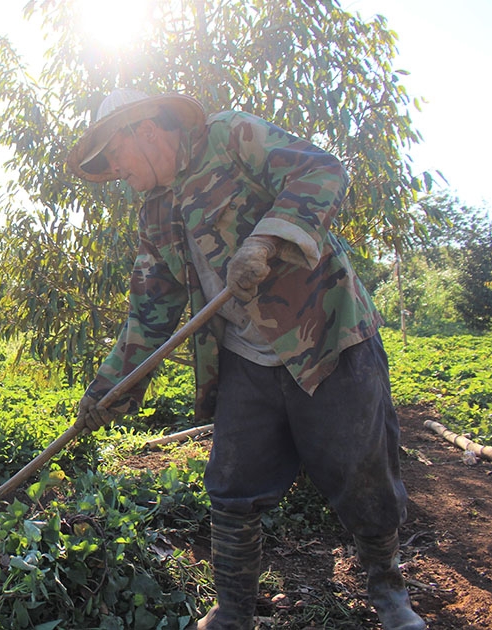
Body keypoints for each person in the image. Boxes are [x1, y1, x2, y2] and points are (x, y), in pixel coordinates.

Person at [66, 88, 426, 630]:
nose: (112, 168)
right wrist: (107, 390)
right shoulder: (156, 212)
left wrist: (265, 242)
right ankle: (232, 611)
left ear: (144, 129)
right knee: (232, 488)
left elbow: (320, 172)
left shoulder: (231, 136)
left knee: (364, 475)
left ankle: (390, 594)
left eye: (112, 152)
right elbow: (149, 313)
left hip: (327, 339)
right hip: (244, 361)